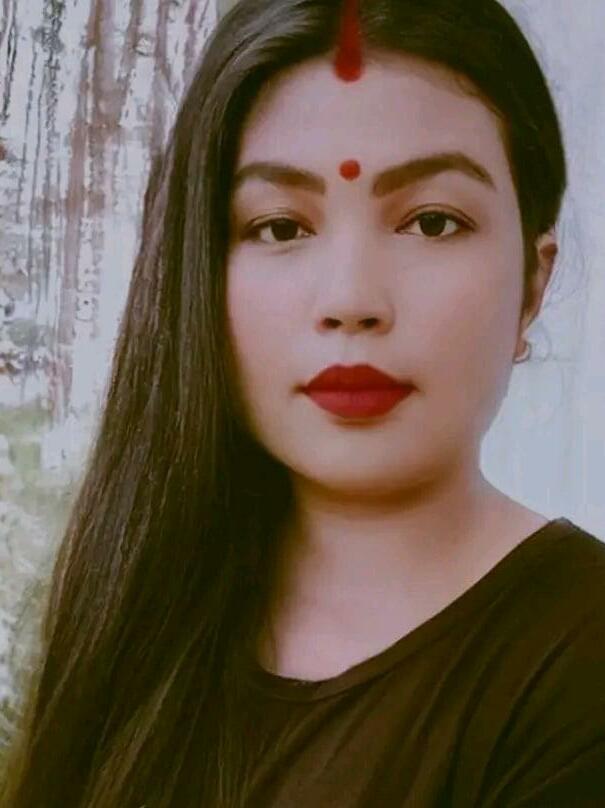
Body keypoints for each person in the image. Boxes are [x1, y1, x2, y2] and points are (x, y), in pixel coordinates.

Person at [2, 0, 605, 806]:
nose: (350, 300)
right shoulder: (136, 612)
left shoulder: (581, 658)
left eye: (431, 222)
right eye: (281, 228)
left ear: (532, 284)